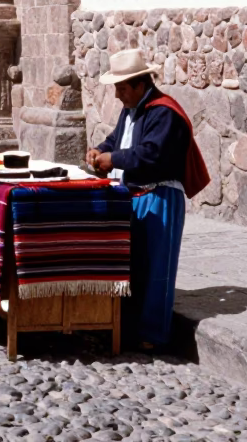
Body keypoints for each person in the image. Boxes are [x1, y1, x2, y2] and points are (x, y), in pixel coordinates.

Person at [86, 48, 210, 351]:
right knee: (133, 266)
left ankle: (153, 336)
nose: (117, 95)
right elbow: (118, 139)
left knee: (157, 270)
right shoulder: (132, 109)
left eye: (122, 88)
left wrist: (112, 159)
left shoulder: (164, 112)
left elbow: (150, 153)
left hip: (160, 196)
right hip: (134, 195)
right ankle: (127, 328)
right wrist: (99, 150)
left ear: (141, 84)